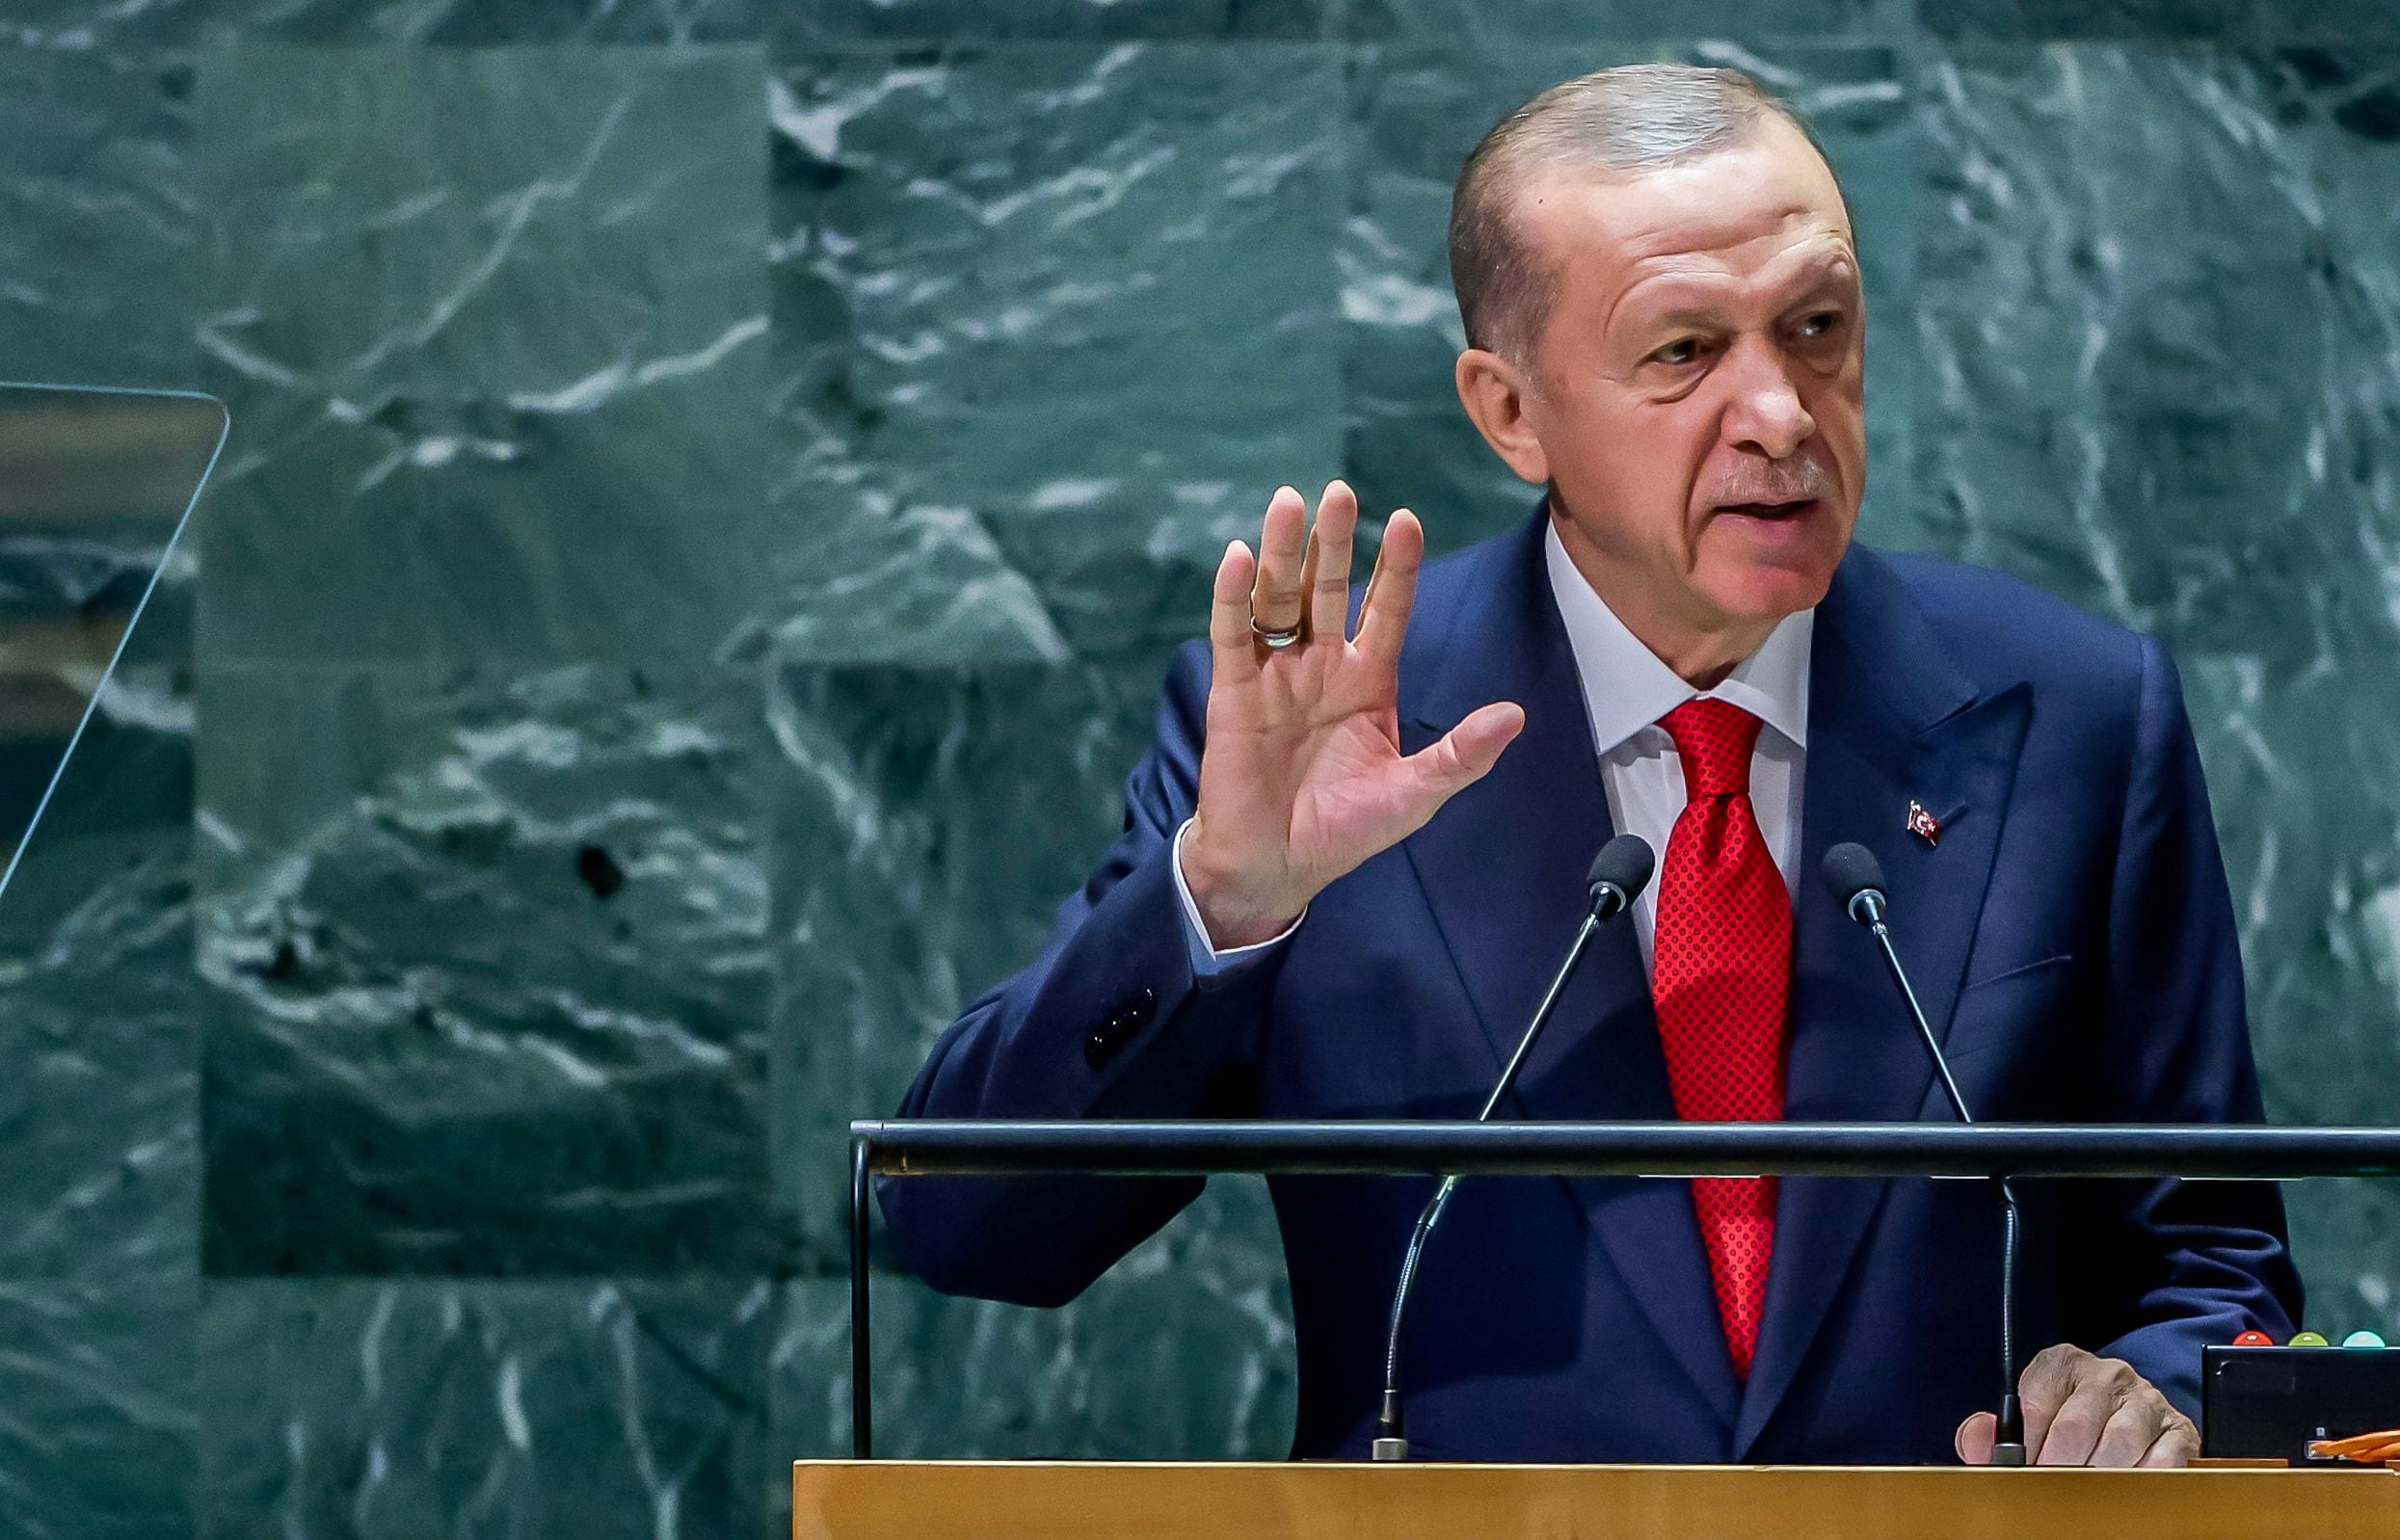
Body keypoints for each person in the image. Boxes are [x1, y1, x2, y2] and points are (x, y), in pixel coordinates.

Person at [887, 64, 2303, 1468]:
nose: (1782, 413)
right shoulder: (1329, 733)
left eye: (1815, 326)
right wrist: (1228, 900)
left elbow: (2213, 1264)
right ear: (1511, 414)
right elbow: (966, 1228)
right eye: (1684, 353)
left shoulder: (2066, 712)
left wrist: (2156, 1388)